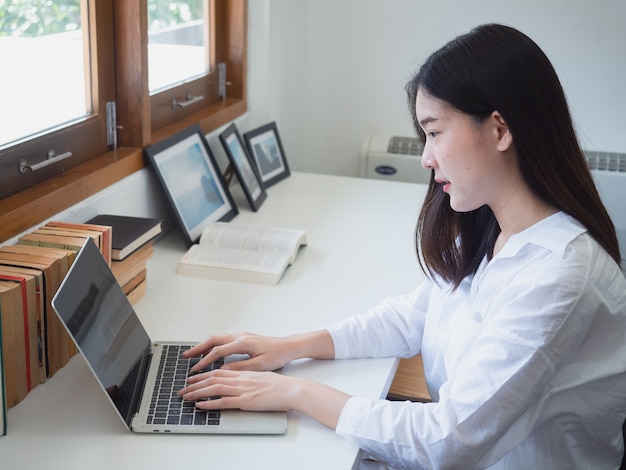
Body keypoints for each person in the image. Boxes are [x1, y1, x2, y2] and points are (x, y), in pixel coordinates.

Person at [178, 24, 626, 469]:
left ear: (500, 130)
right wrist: (291, 346)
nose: (425, 158)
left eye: (434, 133)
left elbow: (447, 441)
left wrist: (295, 392)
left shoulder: (559, 274)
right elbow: (412, 315)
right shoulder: (494, 223)